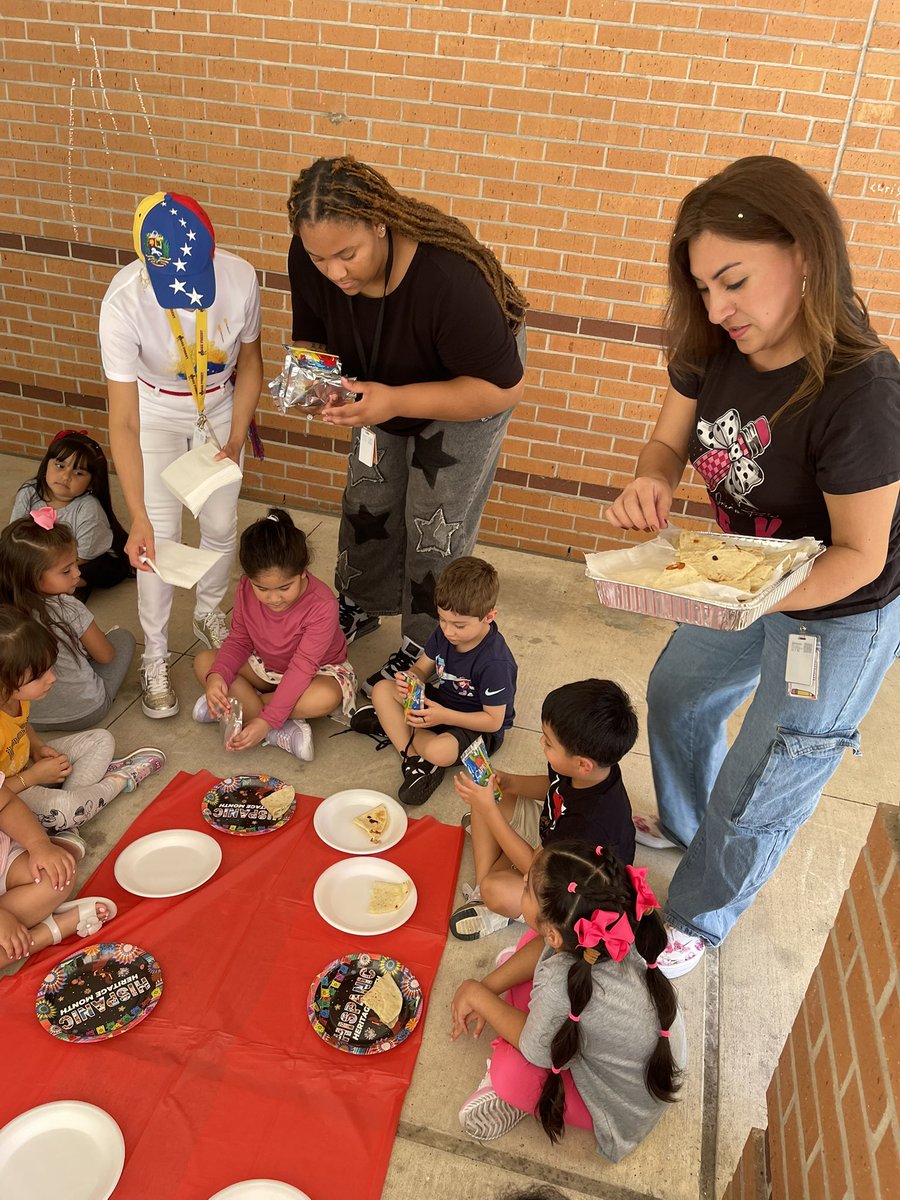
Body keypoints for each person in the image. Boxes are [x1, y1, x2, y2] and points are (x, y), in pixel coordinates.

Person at [606, 155, 900, 978]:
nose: (716, 307)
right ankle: (689, 820)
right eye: (702, 287)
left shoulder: (863, 390)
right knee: (679, 691)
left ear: (803, 255)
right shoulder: (714, 343)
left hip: (837, 609)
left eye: (732, 281)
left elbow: (859, 555)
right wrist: (651, 480)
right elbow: (667, 441)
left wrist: (750, 603)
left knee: (770, 769)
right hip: (738, 575)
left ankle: (701, 913)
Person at [287, 156, 527, 693]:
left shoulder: (449, 280)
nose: (334, 273)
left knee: (433, 519)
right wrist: (311, 386)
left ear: (381, 224)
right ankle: (362, 603)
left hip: (469, 386)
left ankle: (428, 641)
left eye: (348, 255)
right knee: (369, 495)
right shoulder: (316, 258)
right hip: (382, 384)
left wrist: (394, 400)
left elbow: (502, 387)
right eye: (319, 258)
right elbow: (312, 337)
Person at [103, 191, 263, 719]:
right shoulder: (124, 301)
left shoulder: (239, 278)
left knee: (221, 520)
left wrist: (236, 439)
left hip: (215, 409)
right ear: (150, 268)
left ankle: (211, 614)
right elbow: (123, 419)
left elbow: (252, 361)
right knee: (158, 541)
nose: (194, 297)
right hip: (154, 413)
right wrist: (137, 514)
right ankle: (154, 653)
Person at [451, 841, 685, 1161]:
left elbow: (534, 1048)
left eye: (526, 889)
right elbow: (545, 950)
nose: (522, 885)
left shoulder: (560, 983)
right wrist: (487, 987)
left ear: (555, 936)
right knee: (528, 946)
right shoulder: (616, 925)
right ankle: (522, 1003)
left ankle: (512, 1095)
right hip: (652, 1069)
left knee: (510, 1072)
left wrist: (476, 994)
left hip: (617, 1110)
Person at [450, 679, 637, 941]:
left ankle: (493, 898)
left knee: (496, 885)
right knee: (487, 792)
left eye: (549, 743)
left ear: (583, 764)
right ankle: (484, 889)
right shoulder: (589, 768)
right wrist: (510, 782)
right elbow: (553, 786)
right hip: (550, 836)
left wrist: (491, 813)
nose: (541, 743)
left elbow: (538, 869)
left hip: (569, 884)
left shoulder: (590, 823)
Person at [192, 508, 356, 762]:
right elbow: (239, 639)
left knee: (327, 697)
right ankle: (270, 720)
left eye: (284, 588)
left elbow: (303, 667)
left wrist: (265, 720)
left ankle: (238, 709)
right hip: (265, 665)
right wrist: (217, 677)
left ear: (303, 572)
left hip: (316, 672)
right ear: (249, 579)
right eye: (262, 589)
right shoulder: (246, 588)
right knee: (205, 662)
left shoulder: (322, 604)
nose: (274, 599)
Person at [355, 556, 517, 806]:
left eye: (459, 625)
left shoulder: (495, 663)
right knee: (382, 689)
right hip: (441, 705)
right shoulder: (444, 633)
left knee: (439, 752)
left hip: (475, 726)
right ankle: (413, 760)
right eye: (443, 620)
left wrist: (443, 717)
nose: (449, 631)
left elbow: (493, 721)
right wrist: (412, 679)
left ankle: (395, 728)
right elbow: (421, 667)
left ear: (489, 616)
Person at [0, 607, 165, 831]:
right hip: (10, 796)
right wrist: (31, 777)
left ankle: (76, 805)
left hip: (26, 768)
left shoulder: (14, 697)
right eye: (38, 676)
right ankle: (119, 781)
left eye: (50, 668)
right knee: (64, 809)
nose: (52, 678)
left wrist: (37, 747)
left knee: (101, 739)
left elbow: (22, 724)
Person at [0, 510, 136, 731]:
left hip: (27, 717)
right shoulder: (67, 607)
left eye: (75, 564)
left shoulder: (5, 617)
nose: (77, 574)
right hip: (84, 712)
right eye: (66, 570)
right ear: (33, 577)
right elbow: (105, 655)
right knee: (123, 638)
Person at [0, 771, 117, 971]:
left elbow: (6, 804)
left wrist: (38, 845)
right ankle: (45, 934)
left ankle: (28, 918)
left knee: (57, 876)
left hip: (5, 864)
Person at [10, 429, 132, 600]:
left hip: (86, 559)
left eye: (78, 472)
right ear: (46, 465)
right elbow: (16, 533)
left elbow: (81, 556)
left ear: (91, 483)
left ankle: (66, 586)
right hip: (44, 558)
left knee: (74, 573)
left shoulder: (89, 509)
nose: (66, 476)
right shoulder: (29, 490)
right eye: (60, 466)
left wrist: (41, 571)